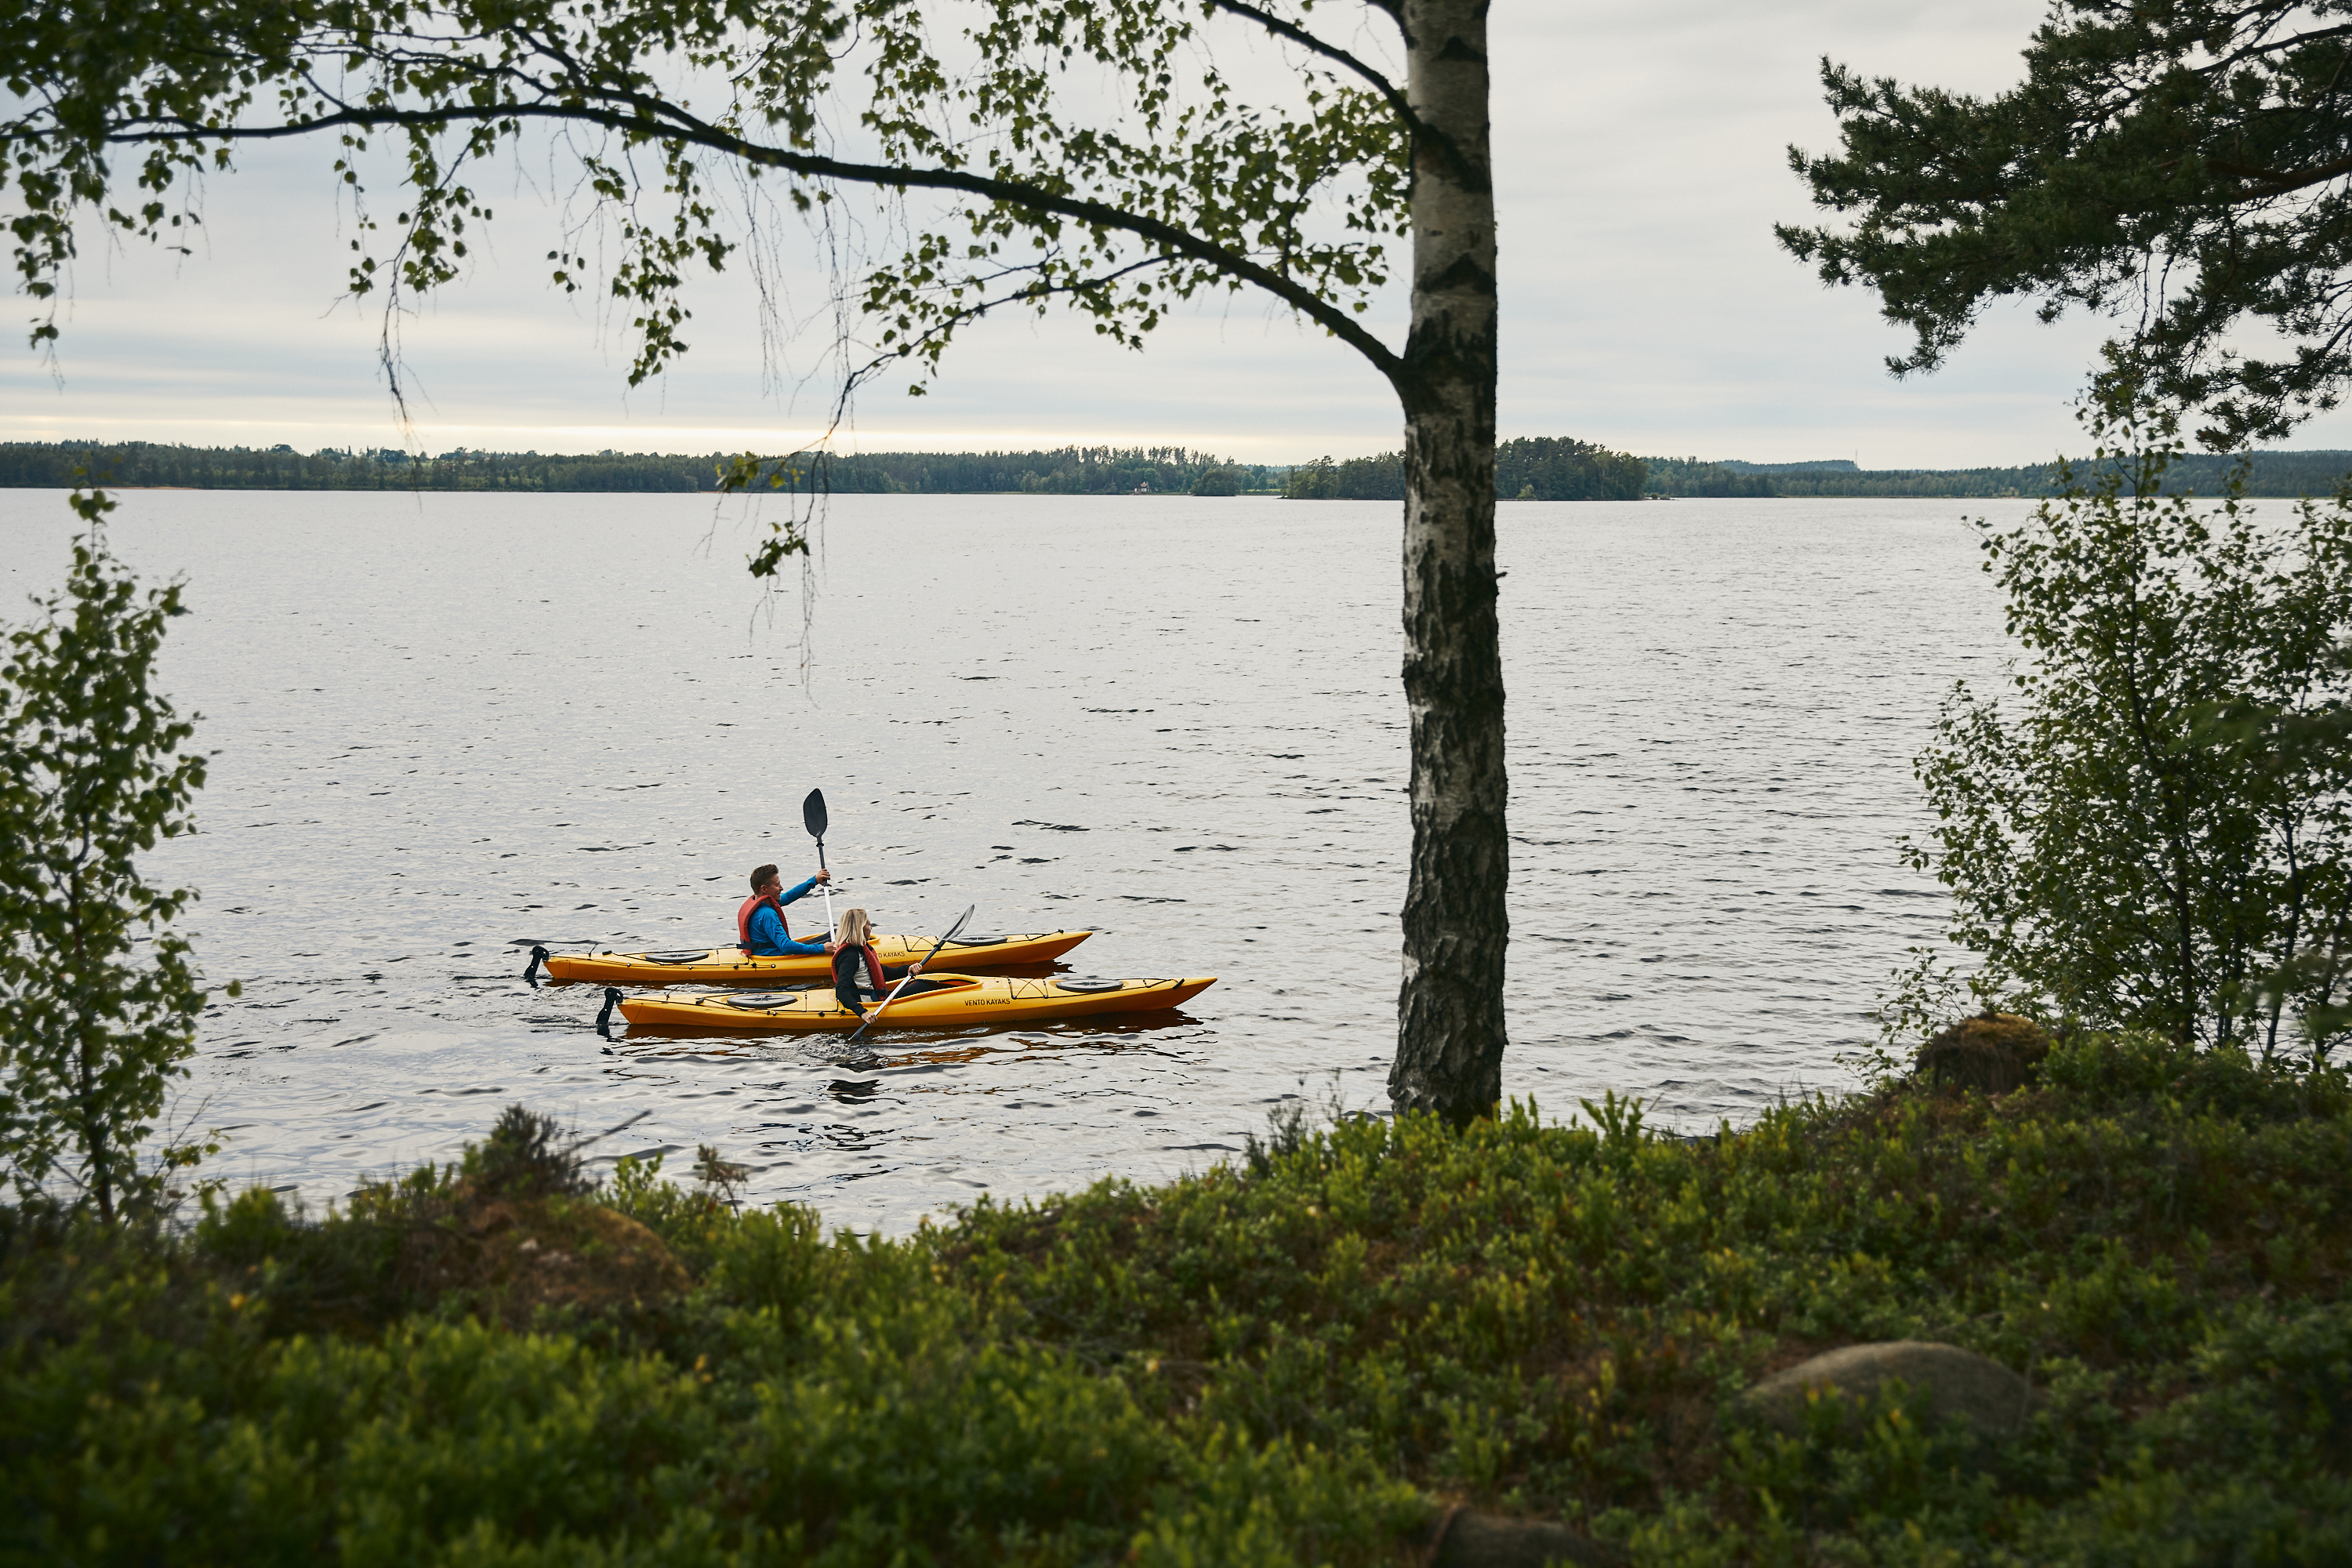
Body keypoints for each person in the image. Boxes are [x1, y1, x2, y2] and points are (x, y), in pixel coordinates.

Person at [829, 907, 924, 1018]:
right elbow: (841, 990)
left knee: (920, 983)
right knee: (922, 986)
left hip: (875, 996)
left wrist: (907, 970)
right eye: (868, 924)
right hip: (869, 1003)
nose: (871, 928)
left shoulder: (860, 949)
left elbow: (882, 972)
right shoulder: (850, 956)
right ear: (860, 928)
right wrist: (862, 1012)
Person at [737, 862, 832, 956]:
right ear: (764, 889)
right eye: (777, 885)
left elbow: (789, 896)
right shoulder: (767, 914)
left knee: (834, 933)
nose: (781, 888)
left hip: (767, 952)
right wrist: (822, 948)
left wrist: (814, 880)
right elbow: (786, 946)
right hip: (776, 957)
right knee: (840, 937)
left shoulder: (760, 902)